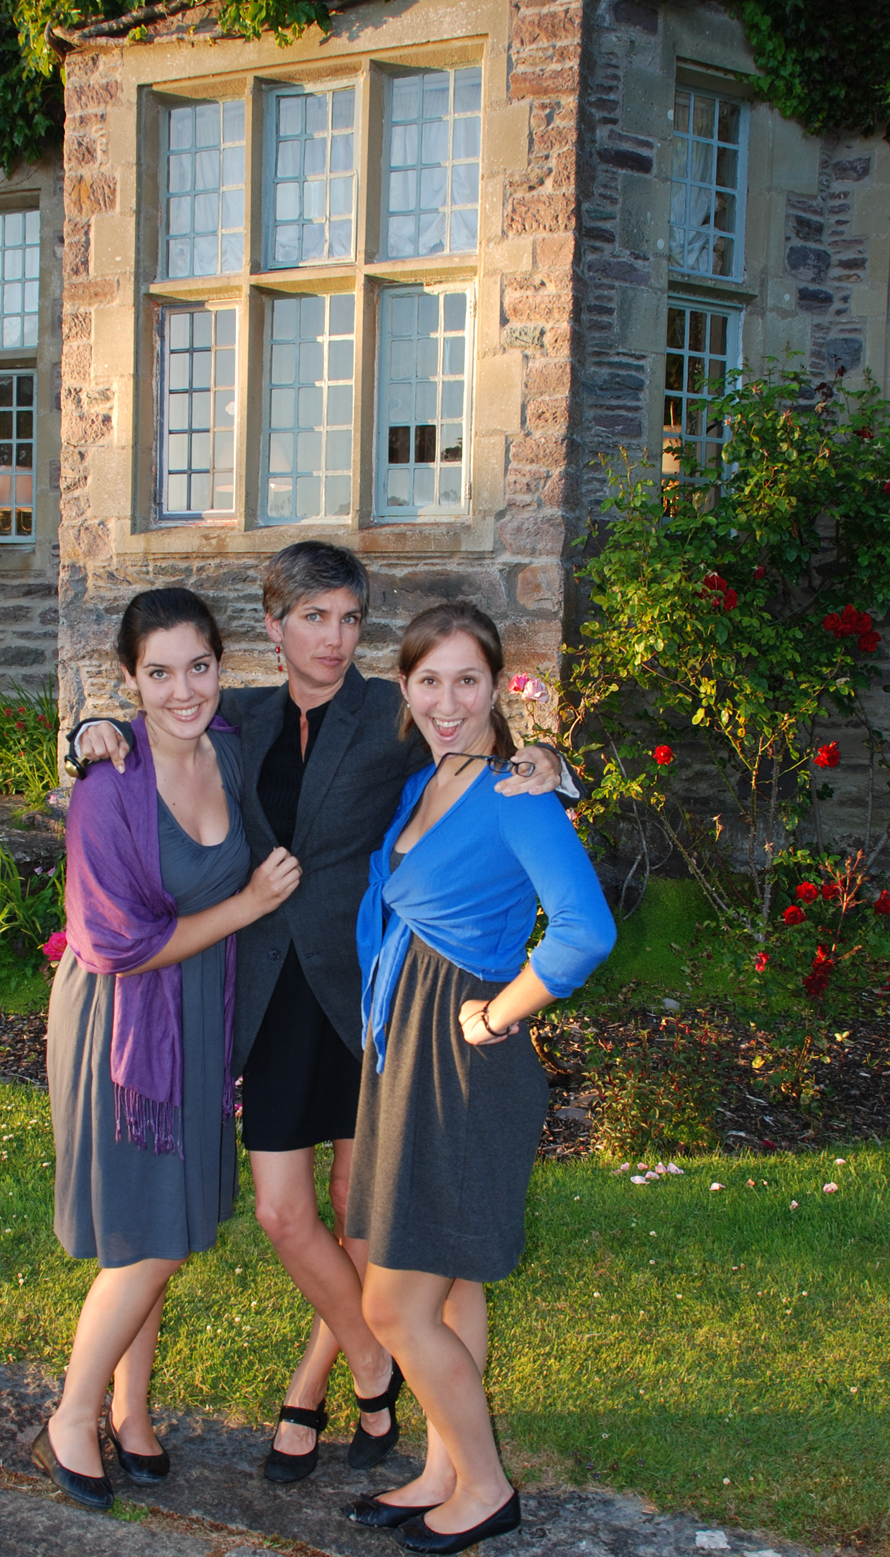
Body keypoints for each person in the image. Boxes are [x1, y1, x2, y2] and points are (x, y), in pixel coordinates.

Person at [66, 543, 572, 1483]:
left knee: (363, 1212)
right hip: (269, 994)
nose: (333, 639)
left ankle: (321, 1388)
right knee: (283, 1212)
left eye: (349, 619)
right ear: (274, 625)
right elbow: (156, 722)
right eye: (312, 619)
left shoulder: (393, 713)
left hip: (368, 994)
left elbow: (479, 743)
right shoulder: (237, 716)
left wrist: (547, 760)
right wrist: (90, 730)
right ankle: (373, 1362)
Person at [343, 600, 615, 1555]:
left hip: (459, 1059)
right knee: (452, 1285)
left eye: (469, 680)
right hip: (405, 1047)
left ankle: (488, 1489)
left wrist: (501, 1013)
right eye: (430, 681)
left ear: (498, 684)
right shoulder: (432, 778)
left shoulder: (513, 792)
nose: (448, 702)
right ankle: (443, 1470)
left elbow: (586, 930)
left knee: (392, 1304)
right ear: (405, 686)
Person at [35, 587, 301, 1511]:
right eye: (159, 673)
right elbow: (116, 944)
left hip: (195, 1016)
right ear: (129, 679)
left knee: (161, 1227)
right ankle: (71, 1417)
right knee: (147, 1237)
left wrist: (540, 756)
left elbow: (358, 711)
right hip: (123, 1026)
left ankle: (130, 1410)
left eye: (199, 667)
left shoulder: (232, 744)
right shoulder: (110, 786)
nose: (183, 691)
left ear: (221, 668)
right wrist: (249, 905)